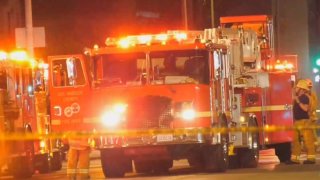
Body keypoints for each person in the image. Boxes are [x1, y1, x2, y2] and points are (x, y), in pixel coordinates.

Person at [286, 79, 316, 164]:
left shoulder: (304, 97)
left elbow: (305, 108)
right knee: (296, 141)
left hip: (304, 122)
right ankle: (295, 159)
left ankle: (311, 159)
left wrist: (298, 101)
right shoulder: (300, 97)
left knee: (308, 140)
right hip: (298, 122)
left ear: (302, 89)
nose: (296, 89)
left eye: (297, 88)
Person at [305, 78, 319, 149]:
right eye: (308, 87)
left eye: (310, 87)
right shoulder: (304, 95)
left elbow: (314, 106)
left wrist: (313, 115)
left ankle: (314, 145)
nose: (309, 88)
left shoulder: (312, 95)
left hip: (310, 117)